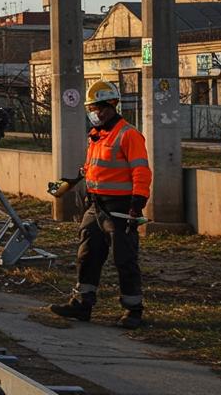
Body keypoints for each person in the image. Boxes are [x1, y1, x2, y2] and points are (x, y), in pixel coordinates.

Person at [48, 80, 152, 329]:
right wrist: (69, 183)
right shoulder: (97, 137)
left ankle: (133, 310)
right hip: (95, 207)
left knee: (124, 259)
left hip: (121, 208)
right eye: (94, 108)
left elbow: (141, 171)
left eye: (102, 107)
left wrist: (137, 203)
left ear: (114, 105)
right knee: (87, 256)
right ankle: (82, 303)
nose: (98, 112)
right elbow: (92, 168)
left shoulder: (128, 134)